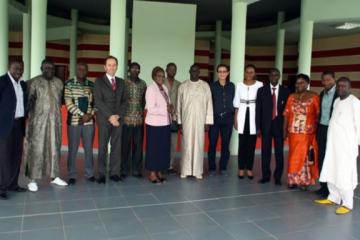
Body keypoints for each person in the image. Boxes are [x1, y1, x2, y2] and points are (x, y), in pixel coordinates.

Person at [314, 77, 360, 215]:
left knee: (344, 173)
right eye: (339, 86)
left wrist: (357, 145)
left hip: (347, 146)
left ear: (349, 87)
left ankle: (347, 203)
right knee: (331, 169)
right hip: (333, 144)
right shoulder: (337, 101)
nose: (340, 88)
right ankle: (333, 197)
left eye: (343, 86)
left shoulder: (355, 102)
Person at [24, 59, 68, 192]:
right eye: (46, 68)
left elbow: (61, 101)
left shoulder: (59, 83)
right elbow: (28, 103)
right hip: (38, 122)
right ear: (41, 68)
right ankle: (32, 179)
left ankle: (54, 176)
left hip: (55, 121)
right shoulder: (33, 82)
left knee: (54, 148)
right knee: (37, 149)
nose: (49, 71)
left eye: (52, 68)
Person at [283, 74, 320, 190]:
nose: (299, 85)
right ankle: (292, 180)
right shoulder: (291, 97)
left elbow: (319, 116)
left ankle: (304, 181)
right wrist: (284, 130)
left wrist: (317, 132)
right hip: (293, 132)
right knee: (293, 156)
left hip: (307, 133)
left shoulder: (314, 97)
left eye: (302, 82)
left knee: (305, 157)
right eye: (297, 83)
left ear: (308, 83)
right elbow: (286, 115)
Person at [177, 64, 213, 179]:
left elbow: (209, 104)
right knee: (186, 144)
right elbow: (179, 105)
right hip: (186, 119)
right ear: (189, 71)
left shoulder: (205, 86)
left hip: (200, 120)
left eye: (196, 71)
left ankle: (198, 171)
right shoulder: (183, 86)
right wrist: (179, 122)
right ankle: (185, 170)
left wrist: (207, 122)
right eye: (192, 70)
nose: (194, 72)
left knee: (198, 144)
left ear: (199, 72)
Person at [94, 56, 126, 184]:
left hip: (118, 119)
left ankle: (114, 173)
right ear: (105, 67)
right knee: (102, 147)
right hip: (104, 119)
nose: (112, 67)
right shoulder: (98, 81)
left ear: (117, 66)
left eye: (114, 65)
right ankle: (101, 174)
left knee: (116, 147)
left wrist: (117, 115)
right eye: (109, 65)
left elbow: (124, 101)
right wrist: (110, 116)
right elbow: (98, 101)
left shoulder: (121, 82)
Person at [256, 68, 289, 185]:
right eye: (271, 75)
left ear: (279, 76)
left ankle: (278, 177)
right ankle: (266, 176)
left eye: (276, 75)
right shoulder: (261, 91)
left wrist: (287, 129)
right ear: (268, 76)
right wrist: (258, 128)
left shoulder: (286, 91)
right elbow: (258, 110)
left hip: (280, 127)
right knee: (265, 152)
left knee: (279, 152)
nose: (274, 77)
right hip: (265, 126)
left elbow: (288, 112)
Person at [64, 63, 95, 185]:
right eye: (79, 68)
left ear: (87, 70)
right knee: (73, 149)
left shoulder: (92, 85)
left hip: (89, 123)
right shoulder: (69, 84)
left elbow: (96, 104)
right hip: (74, 123)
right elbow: (68, 103)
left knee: (88, 149)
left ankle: (90, 173)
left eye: (84, 68)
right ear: (75, 70)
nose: (82, 70)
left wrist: (90, 115)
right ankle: (71, 174)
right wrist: (83, 115)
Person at [0, 60, 27, 199]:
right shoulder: (2, 82)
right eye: (16, 67)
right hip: (5, 126)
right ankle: (2, 188)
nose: (18, 70)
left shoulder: (22, 84)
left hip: (19, 125)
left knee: (16, 156)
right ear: (9, 67)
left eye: (21, 68)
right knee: (4, 157)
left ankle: (12, 184)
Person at [233, 64, 263, 179]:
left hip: (254, 116)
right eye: (247, 72)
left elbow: (261, 104)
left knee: (251, 145)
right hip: (242, 115)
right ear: (244, 73)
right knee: (242, 144)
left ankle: (249, 169)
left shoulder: (260, 85)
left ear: (254, 73)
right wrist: (235, 119)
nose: (249, 74)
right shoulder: (239, 85)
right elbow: (236, 103)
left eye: (252, 72)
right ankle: (241, 169)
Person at [145, 67, 173, 184]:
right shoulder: (151, 89)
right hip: (154, 124)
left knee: (163, 149)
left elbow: (168, 103)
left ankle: (159, 172)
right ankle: (152, 173)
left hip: (165, 123)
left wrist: (171, 107)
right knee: (153, 149)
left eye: (163, 76)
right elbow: (151, 109)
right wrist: (166, 109)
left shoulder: (165, 88)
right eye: (158, 76)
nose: (161, 78)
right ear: (154, 77)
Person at [121, 62, 147, 179]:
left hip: (139, 121)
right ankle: (124, 170)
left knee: (138, 147)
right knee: (125, 146)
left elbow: (143, 100)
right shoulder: (123, 83)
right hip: (126, 120)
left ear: (139, 71)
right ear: (129, 70)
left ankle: (137, 170)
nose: (135, 71)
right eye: (133, 69)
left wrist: (140, 111)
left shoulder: (143, 84)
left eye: (137, 69)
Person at [208, 64, 235, 176]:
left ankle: (223, 167)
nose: (222, 73)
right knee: (212, 144)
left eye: (224, 71)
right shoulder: (212, 86)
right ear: (217, 73)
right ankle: (212, 168)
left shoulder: (232, 86)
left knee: (225, 144)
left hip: (228, 119)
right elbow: (208, 103)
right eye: (220, 71)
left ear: (227, 73)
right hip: (215, 119)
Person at [315, 71, 337, 198]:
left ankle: (332, 188)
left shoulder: (339, 94)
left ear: (334, 79)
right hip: (322, 129)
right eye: (324, 80)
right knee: (321, 157)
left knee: (332, 158)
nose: (326, 82)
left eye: (329, 80)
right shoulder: (322, 93)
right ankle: (323, 187)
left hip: (333, 130)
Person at [163, 63, 181, 174]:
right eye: (170, 68)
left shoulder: (179, 84)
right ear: (166, 70)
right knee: (163, 142)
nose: (172, 70)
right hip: (162, 118)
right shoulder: (161, 82)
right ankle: (162, 164)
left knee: (173, 143)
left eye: (174, 69)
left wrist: (178, 118)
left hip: (174, 118)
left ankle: (170, 165)